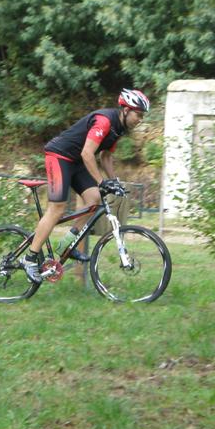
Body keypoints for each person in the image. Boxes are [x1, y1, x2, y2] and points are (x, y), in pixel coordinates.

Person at [21, 88, 150, 283]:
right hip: (59, 156)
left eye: (142, 116)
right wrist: (101, 181)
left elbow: (105, 156)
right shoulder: (105, 121)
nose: (140, 119)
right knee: (57, 209)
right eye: (138, 114)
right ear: (126, 110)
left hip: (76, 162)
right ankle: (30, 259)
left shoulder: (119, 128)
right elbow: (87, 153)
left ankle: (67, 245)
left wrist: (114, 182)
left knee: (94, 199)